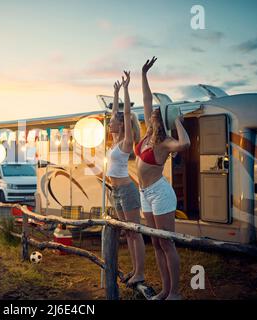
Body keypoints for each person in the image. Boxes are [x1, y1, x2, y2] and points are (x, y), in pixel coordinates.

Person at [136, 57, 191, 300]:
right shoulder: (148, 133)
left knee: (167, 243)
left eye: (158, 114)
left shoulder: (165, 141)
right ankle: (165, 290)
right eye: (154, 112)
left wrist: (178, 120)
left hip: (160, 193)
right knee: (156, 244)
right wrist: (144, 74)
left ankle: (175, 293)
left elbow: (186, 144)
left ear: (163, 120)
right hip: (144, 193)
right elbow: (147, 99)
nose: (153, 113)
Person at [107, 70, 145, 287]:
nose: (109, 124)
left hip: (127, 190)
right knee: (128, 233)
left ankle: (140, 272)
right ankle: (135, 270)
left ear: (122, 125)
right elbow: (116, 112)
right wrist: (116, 92)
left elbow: (126, 111)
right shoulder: (114, 141)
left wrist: (128, 89)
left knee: (135, 231)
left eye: (113, 122)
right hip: (116, 192)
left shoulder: (126, 142)